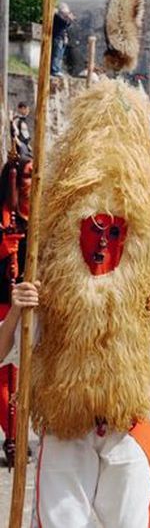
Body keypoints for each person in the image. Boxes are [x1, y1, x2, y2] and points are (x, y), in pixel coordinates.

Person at [6, 80, 150, 527]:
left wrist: (147, 389)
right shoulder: (49, 258)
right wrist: (20, 309)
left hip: (128, 425)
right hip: (66, 427)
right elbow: (3, 349)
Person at [0, 157, 30, 466]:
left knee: (19, 374)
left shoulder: (38, 216)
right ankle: (11, 436)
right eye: (27, 176)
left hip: (26, 304)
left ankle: (16, 435)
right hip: (2, 301)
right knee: (2, 379)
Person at [50, 2, 75, 76]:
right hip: (57, 38)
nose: (66, 14)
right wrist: (68, 18)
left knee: (60, 56)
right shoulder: (57, 17)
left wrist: (69, 20)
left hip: (62, 38)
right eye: (65, 12)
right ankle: (54, 70)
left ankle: (57, 69)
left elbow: (66, 28)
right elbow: (62, 23)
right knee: (56, 55)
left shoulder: (63, 18)